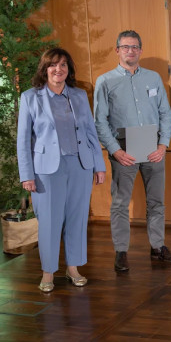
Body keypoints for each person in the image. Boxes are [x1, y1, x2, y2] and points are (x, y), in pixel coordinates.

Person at [17, 48, 106, 292]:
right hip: (46, 170)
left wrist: (99, 165)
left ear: (69, 69)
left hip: (80, 166)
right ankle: (48, 272)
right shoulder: (30, 97)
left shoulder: (79, 95)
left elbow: (90, 132)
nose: (58, 69)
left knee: (77, 218)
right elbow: (23, 140)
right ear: (45, 69)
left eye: (63, 65)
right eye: (53, 65)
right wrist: (26, 175)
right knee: (49, 221)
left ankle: (73, 268)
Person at [94, 30, 171, 272]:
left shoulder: (154, 78)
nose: (130, 51)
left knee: (157, 201)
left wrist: (163, 144)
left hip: (153, 147)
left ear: (140, 50)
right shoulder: (105, 81)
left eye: (134, 47)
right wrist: (115, 150)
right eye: (125, 47)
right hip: (123, 149)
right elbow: (99, 121)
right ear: (117, 50)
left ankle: (158, 247)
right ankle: (121, 251)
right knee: (120, 203)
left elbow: (165, 113)